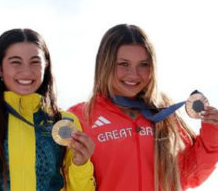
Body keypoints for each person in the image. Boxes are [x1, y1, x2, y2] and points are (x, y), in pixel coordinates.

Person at [68, 24, 218, 191]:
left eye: (143, 64)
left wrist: (213, 131)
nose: (134, 74)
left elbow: (190, 174)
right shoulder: (80, 117)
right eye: (123, 64)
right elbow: (66, 182)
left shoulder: (164, 114)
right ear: (105, 64)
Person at [0, 28, 96, 191]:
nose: (26, 71)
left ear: (46, 65)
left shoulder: (64, 121)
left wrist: (81, 164)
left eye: (35, 61)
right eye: (15, 62)